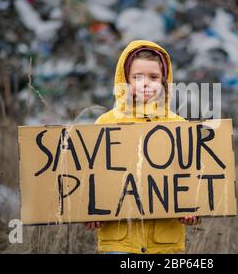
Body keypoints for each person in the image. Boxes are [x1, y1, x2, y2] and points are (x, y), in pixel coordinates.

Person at [85, 40, 200, 254]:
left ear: (164, 81)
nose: (146, 83)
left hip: (165, 244)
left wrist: (191, 208)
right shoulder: (106, 123)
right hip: (118, 242)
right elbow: (94, 177)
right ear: (125, 80)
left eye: (154, 77)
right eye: (137, 77)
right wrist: (92, 211)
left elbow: (189, 178)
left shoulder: (179, 126)